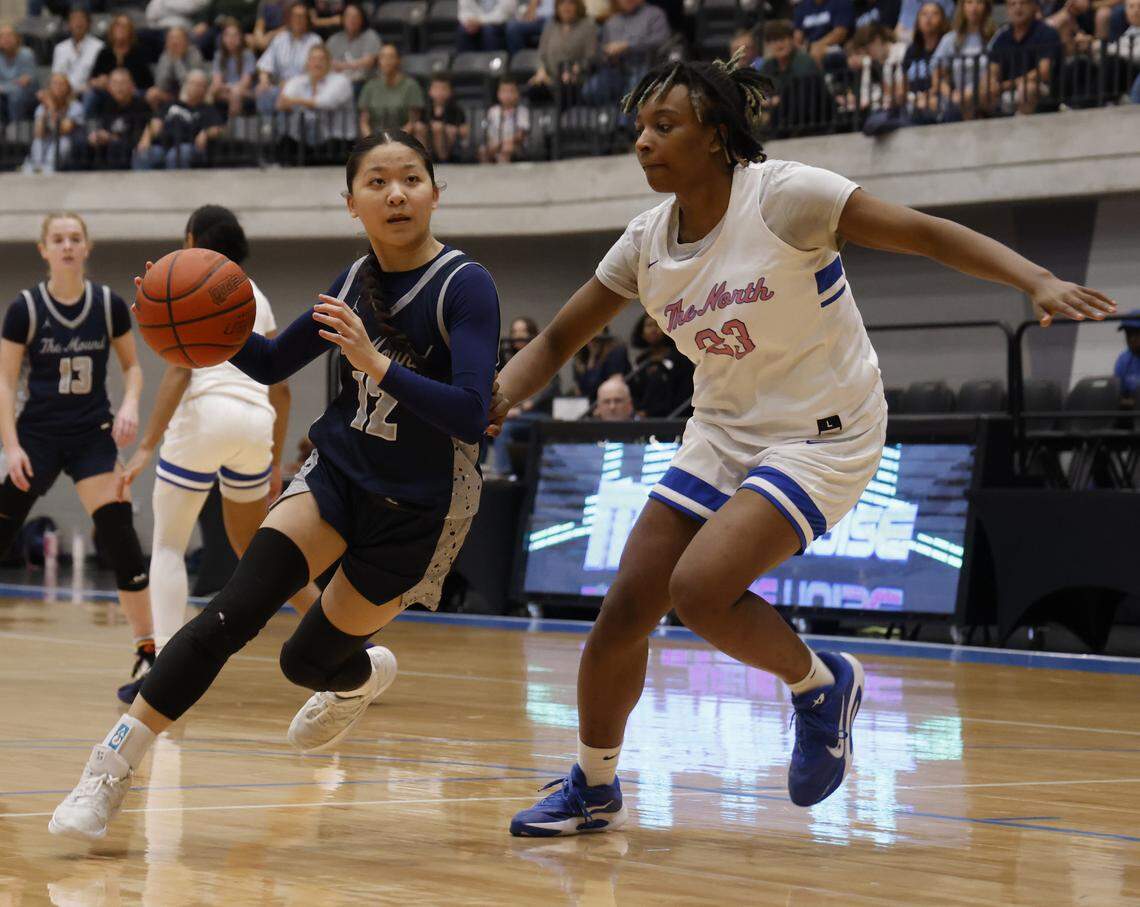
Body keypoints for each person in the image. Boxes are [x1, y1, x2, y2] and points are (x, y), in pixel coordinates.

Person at [490, 55, 1115, 836]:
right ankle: (594, 783)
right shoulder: (644, 242)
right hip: (721, 430)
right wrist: (495, 399)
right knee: (624, 610)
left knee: (700, 590)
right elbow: (554, 338)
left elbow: (922, 233)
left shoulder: (787, 196)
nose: (643, 142)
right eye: (640, 128)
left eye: (665, 126)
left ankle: (821, 683)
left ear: (717, 136)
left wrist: (1036, 280)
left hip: (826, 431)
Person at [50, 130, 502, 843]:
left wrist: (374, 362)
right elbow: (265, 362)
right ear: (350, 202)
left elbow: (473, 413)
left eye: (411, 178)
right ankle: (109, 769)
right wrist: (191, 314)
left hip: (420, 505)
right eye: (377, 181)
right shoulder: (354, 280)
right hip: (336, 476)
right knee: (231, 611)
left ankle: (356, 677)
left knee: (306, 660)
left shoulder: (464, 285)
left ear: (436, 193)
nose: (395, 192)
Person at [116, 205, 307, 653]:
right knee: (255, 550)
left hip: (204, 416)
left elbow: (180, 372)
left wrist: (146, 447)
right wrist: (275, 461)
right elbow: (281, 388)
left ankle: (159, 664)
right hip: (255, 422)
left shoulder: (181, 280)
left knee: (167, 547)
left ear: (189, 240)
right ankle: (339, 641)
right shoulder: (254, 294)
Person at [0, 213, 155, 704]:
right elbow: (5, 382)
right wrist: (11, 446)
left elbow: (133, 369)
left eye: (75, 238)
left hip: (92, 436)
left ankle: (148, 654)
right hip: (37, 437)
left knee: (121, 540)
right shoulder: (24, 308)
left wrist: (130, 405)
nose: (67, 246)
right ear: (43, 249)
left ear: (87, 247)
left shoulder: (107, 305)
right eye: (57, 239)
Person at [486, 317, 560, 475]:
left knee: (505, 428)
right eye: (515, 332)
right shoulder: (505, 357)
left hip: (540, 414)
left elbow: (550, 388)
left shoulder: (543, 357)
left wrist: (521, 408)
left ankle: (503, 472)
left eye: (523, 332)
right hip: (514, 414)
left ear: (532, 334)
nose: (518, 336)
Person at [277, 43, 356, 159]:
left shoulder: (341, 81)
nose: (317, 63)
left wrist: (295, 101)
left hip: (337, 140)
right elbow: (281, 103)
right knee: (285, 143)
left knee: (330, 149)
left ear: (329, 62)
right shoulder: (297, 81)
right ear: (307, 62)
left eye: (322, 59)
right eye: (313, 59)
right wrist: (290, 102)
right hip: (306, 141)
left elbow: (327, 102)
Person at [583, 0, 671, 104]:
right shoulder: (612, 22)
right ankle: (608, 117)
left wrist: (628, 46)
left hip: (646, 68)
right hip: (615, 70)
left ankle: (624, 118)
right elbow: (602, 51)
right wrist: (608, 56)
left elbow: (660, 40)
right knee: (590, 90)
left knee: (633, 92)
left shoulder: (655, 14)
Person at [135, 69, 225, 169]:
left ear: (205, 89)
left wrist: (206, 132)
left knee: (177, 155)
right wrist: (146, 137)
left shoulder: (208, 109)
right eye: (192, 83)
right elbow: (155, 122)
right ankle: (142, 184)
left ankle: (176, 184)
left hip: (191, 147)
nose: (195, 87)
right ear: (186, 85)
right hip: (164, 146)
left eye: (200, 85)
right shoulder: (171, 104)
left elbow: (219, 129)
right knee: (143, 154)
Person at [987, 0, 1063, 115]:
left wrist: (1006, 85)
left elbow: (1043, 72)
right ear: (1007, 9)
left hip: (1042, 89)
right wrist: (992, 83)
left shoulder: (1047, 32)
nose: (1018, 8)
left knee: (1026, 89)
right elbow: (993, 70)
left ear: (1034, 6)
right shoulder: (1002, 37)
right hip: (1007, 91)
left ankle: (1023, 130)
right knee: (978, 93)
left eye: (1023, 3)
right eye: (1012, 4)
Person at [931, 0, 996, 119]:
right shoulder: (950, 39)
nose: (974, 7)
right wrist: (951, 95)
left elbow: (996, 73)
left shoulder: (995, 36)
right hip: (959, 98)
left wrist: (972, 93)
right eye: (969, 2)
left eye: (979, 3)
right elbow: (937, 77)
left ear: (986, 7)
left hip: (987, 96)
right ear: (962, 7)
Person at [255, 1, 322, 114]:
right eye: (295, 16)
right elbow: (265, 65)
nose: (298, 20)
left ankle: (287, 130)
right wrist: (264, 81)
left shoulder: (315, 41)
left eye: (302, 17)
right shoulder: (280, 39)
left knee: (287, 98)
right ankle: (267, 129)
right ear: (288, 19)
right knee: (263, 92)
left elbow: (317, 71)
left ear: (307, 20)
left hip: (305, 88)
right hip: (280, 87)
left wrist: (291, 86)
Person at [528, 0, 597, 104]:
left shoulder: (588, 25)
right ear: (557, 7)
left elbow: (591, 57)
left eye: (570, 3)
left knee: (567, 89)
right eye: (562, 3)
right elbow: (541, 54)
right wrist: (541, 71)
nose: (566, 7)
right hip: (550, 78)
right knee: (534, 89)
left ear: (578, 5)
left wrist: (576, 69)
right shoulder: (550, 25)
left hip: (575, 78)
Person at [626, 311, 692, 417]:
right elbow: (635, 391)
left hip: (675, 419)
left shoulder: (681, 358)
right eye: (649, 325)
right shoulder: (641, 361)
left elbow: (685, 393)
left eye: (657, 325)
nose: (653, 329)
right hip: (645, 420)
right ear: (641, 333)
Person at [86, 68, 152, 170]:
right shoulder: (104, 104)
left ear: (132, 86)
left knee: (116, 147)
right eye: (115, 83)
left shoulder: (141, 106)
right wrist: (95, 136)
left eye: (123, 83)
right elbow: (96, 126)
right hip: (104, 153)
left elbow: (138, 140)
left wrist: (111, 138)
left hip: (129, 154)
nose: (119, 87)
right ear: (109, 87)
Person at [358, 45, 426, 135]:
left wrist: (395, 141)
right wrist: (371, 141)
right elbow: (364, 122)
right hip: (376, 136)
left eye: (391, 57)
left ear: (398, 60)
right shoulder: (370, 86)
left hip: (403, 136)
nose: (387, 61)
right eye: (383, 57)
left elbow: (413, 121)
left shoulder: (411, 85)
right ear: (379, 61)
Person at [24, 72, 83, 173]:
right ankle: (35, 166)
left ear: (68, 88)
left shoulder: (75, 106)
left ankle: (48, 169)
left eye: (62, 84)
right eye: (55, 84)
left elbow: (63, 130)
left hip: (68, 145)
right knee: (38, 141)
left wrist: (51, 107)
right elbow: (38, 133)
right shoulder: (42, 107)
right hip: (47, 142)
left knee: (62, 142)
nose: (58, 87)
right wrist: (45, 111)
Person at [147, 27, 207, 111]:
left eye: (178, 38)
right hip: (171, 95)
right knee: (152, 93)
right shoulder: (165, 55)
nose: (174, 42)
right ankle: (159, 118)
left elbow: (188, 85)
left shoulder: (194, 54)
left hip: (191, 94)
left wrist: (177, 60)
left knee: (191, 91)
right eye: (171, 38)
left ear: (186, 41)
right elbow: (160, 84)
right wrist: (170, 61)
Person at [327, 3, 381, 95]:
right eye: (348, 16)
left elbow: (368, 63)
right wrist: (355, 64)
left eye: (355, 17)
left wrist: (341, 66)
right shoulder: (334, 39)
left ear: (362, 19)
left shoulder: (371, 36)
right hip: (336, 83)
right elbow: (326, 63)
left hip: (363, 83)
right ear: (343, 19)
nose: (352, 20)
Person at [51, 9, 104, 101]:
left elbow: (100, 78)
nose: (78, 23)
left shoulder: (99, 47)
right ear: (68, 25)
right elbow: (56, 75)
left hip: (87, 92)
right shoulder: (60, 48)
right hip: (63, 93)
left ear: (88, 24)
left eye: (81, 19)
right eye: (74, 19)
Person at [412, 75, 468, 162]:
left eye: (444, 89)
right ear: (430, 91)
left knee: (438, 128)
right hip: (428, 142)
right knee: (419, 128)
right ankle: (423, 159)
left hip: (447, 145)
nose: (439, 92)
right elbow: (418, 124)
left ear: (450, 92)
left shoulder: (456, 110)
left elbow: (465, 130)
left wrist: (451, 129)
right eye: (436, 89)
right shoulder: (425, 109)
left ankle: (442, 159)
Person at [210, 18, 258, 117]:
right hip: (225, 91)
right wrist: (229, 88)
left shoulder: (248, 55)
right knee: (212, 90)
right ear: (223, 38)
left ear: (241, 38)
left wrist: (229, 88)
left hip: (246, 92)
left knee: (236, 93)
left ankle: (233, 127)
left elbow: (244, 84)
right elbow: (217, 83)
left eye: (235, 35)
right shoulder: (219, 56)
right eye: (227, 35)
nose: (231, 39)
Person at [479, 76, 530, 163]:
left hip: (516, 145)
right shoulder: (493, 111)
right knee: (483, 150)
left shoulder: (522, 111)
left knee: (506, 148)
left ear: (517, 94)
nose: (507, 95)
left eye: (511, 91)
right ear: (498, 94)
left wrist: (501, 143)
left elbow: (520, 135)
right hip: (495, 143)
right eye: (504, 91)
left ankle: (503, 175)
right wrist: (492, 145)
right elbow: (488, 132)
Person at [0, 24, 37, 124]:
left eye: (9, 35)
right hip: (5, 94)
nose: (6, 39)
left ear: (17, 38)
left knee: (16, 96)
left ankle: (15, 132)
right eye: (2, 36)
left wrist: (4, 86)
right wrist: (12, 84)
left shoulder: (26, 54)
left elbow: (24, 82)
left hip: (27, 94)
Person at [1116, 310, 1140, 407]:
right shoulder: (1123, 360)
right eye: (1129, 333)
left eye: (1137, 333)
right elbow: (1118, 396)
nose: (1132, 339)